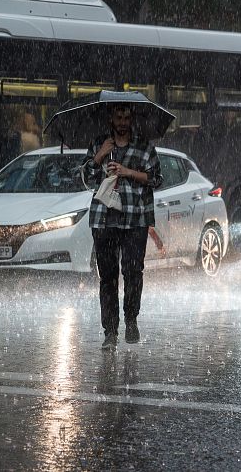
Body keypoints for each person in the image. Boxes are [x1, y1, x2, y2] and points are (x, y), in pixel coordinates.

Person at [83, 104, 163, 349]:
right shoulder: (100, 144)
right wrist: (99, 158)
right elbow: (86, 179)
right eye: (118, 117)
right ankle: (110, 331)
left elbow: (156, 179)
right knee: (107, 277)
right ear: (111, 118)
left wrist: (127, 171)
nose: (122, 122)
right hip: (104, 219)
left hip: (135, 219)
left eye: (127, 117)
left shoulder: (144, 146)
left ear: (132, 119)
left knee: (133, 273)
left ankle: (131, 320)